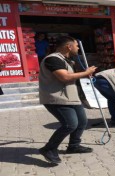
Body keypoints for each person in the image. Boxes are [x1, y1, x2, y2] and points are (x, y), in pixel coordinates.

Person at [38, 36, 97, 164]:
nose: (77, 48)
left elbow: (71, 76)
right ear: (69, 46)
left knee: (82, 122)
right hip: (56, 98)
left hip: (71, 97)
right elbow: (64, 77)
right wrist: (85, 73)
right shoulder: (53, 59)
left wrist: (83, 73)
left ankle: (74, 146)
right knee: (70, 124)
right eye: (76, 46)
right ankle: (49, 149)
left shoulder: (67, 60)